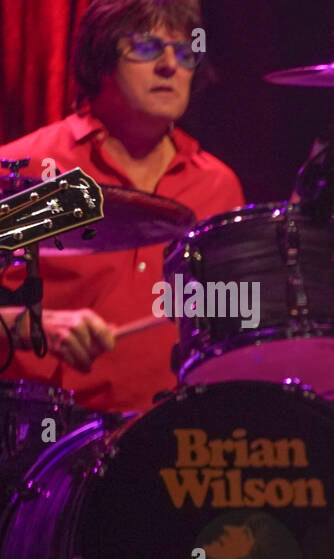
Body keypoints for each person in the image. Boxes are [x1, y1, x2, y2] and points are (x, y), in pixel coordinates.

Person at [0, 0, 245, 413]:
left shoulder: (218, 186)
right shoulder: (29, 172)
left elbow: (233, 322)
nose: (170, 65)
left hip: (181, 439)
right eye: (148, 48)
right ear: (101, 60)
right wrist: (29, 325)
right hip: (48, 447)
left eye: (185, 53)